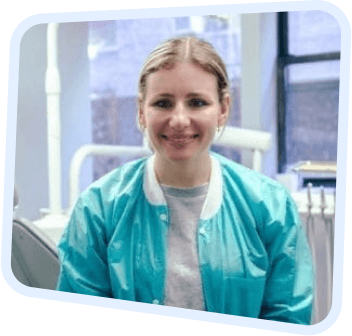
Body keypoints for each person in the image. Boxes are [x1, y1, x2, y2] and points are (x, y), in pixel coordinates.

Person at [56, 36, 314, 324]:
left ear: (223, 108)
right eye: (163, 103)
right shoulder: (97, 210)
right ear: (142, 111)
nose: (179, 119)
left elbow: (287, 317)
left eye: (197, 102)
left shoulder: (272, 208)